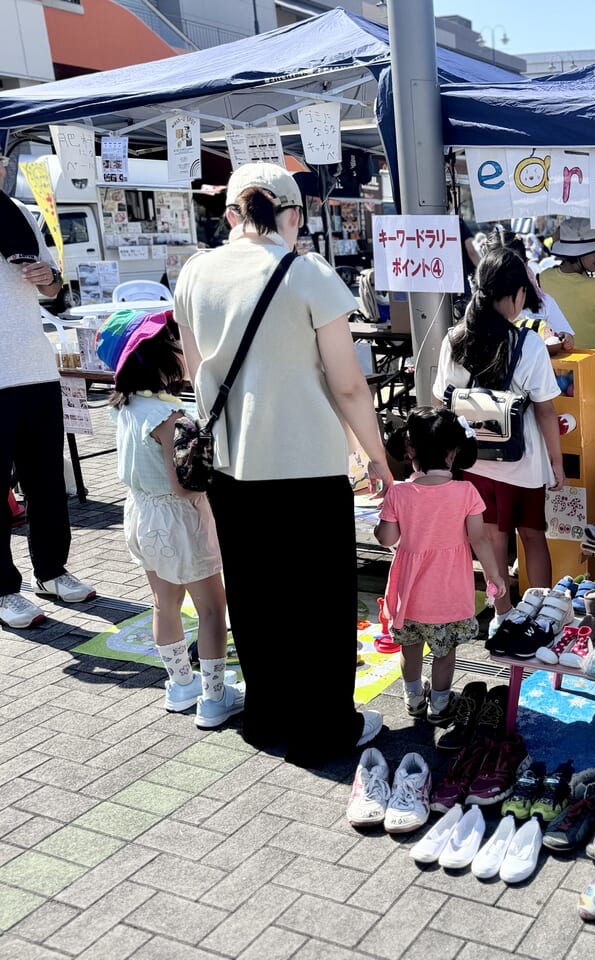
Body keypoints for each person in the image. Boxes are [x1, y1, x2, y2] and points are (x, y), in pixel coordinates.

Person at [174, 162, 391, 766]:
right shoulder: (308, 273)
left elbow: (197, 376)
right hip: (307, 465)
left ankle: (266, 717)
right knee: (318, 602)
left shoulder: (195, 272)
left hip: (231, 465)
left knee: (255, 592)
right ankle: (324, 729)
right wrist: (377, 458)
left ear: (234, 213)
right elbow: (348, 386)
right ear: (292, 214)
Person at [97, 309, 244, 728]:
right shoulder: (170, 418)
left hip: (141, 514)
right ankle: (215, 698)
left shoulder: (125, 407)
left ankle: (182, 685)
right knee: (213, 610)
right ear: (156, 358)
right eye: (176, 345)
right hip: (179, 520)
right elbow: (186, 486)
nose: (183, 351)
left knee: (165, 602)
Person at [433, 249, 564, 632]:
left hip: (473, 462)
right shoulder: (529, 344)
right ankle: (541, 618)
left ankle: (503, 616)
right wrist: (556, 463)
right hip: (522, 463)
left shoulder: (453, 339)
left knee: (492, 541)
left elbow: (442, 400)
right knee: (533, 537)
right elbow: (544, 409)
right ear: (517, 294)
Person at [0, 186, 96, 630]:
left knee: (46, 485)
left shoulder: (19, 211)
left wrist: (49, 280)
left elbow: (56, 291)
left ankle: (52, 571)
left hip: (36, 369)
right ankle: (3, 590)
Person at [375, 408, 507, 722]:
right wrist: (494, 575)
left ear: (410, 451)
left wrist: (382, 517)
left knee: (411, 648)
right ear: (452, 453)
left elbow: (386, 538)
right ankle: (440, 703)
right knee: (444, 653)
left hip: (409, 595)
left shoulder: (400, 494)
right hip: (447, 592)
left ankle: (413, 699)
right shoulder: (466, 492)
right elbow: (479, 539)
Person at [539, 219, 595, 492]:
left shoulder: (544, 278)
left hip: (556, 368)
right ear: (578, 254)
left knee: (564, 431)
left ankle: (567, 489)